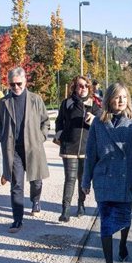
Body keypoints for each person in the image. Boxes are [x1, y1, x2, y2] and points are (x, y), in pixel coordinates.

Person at [82, 82, 132, 263]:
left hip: (126, 178)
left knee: (124, 218)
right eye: (117, 97)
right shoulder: (98, 124)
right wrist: (86, 181)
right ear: (109, 99)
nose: (120, 101)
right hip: (104, 178)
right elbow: (91, 153)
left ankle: (123, 243)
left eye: (124, 97)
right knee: (106, 225)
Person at [0, 67, 50, 233]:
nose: (16, 87)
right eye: (12, 84)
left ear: (25, 82)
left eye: (19, 83)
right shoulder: (4, 102)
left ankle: (36, 201)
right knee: (16, 185)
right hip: (14, 150)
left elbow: (45, 121)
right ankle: (17, 220)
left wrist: (41, 137)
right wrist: (3, 137)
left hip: (33, 147)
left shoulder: (35, 99)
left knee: (36, 180)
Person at [54, 76, 102, 223]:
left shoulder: (94, 105)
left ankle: (81, 205)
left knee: (83, 180)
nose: (83, 89)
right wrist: (60, 134)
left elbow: (102, 122)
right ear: (74, 87)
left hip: (86, 149)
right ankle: (65, 210)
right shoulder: (67, 103)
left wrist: (93, 119)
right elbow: (59, 121)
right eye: (80, 86)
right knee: (70, 179)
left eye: (86, 86)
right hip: (69, 147)